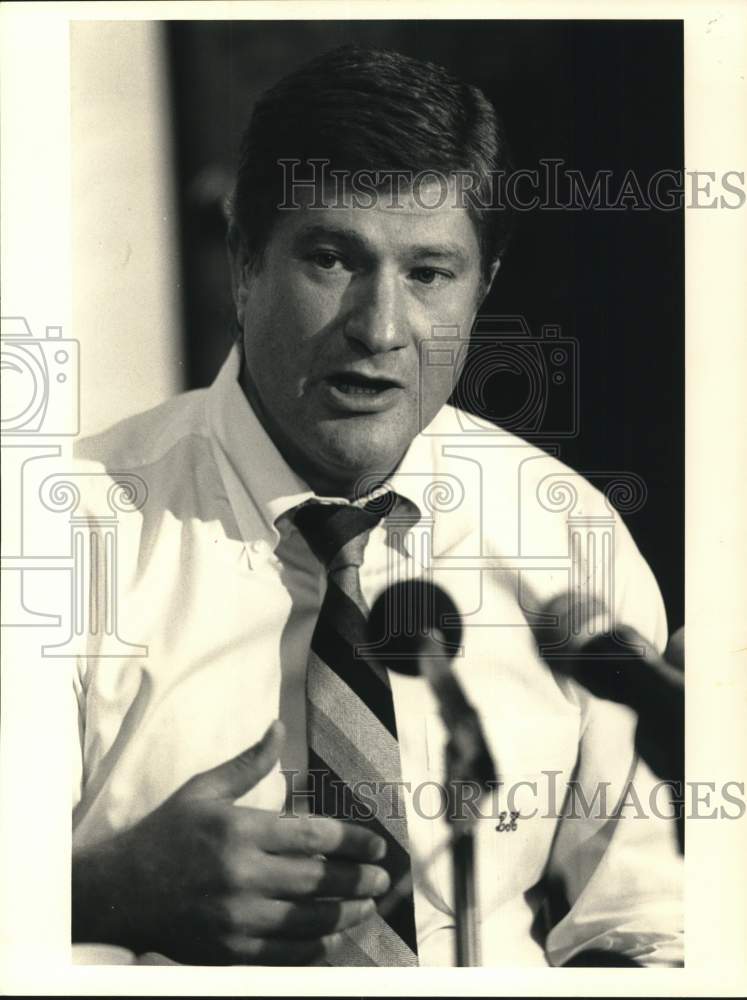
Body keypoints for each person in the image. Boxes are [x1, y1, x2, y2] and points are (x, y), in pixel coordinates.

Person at [70, 45, 683, 966]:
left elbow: (645, 921)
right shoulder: (63, 532)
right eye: (331, 258)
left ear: (487, 286)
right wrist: (105, 893)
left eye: (429, 274)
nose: (380, 328)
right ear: (243, 261)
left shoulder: (569, 532)